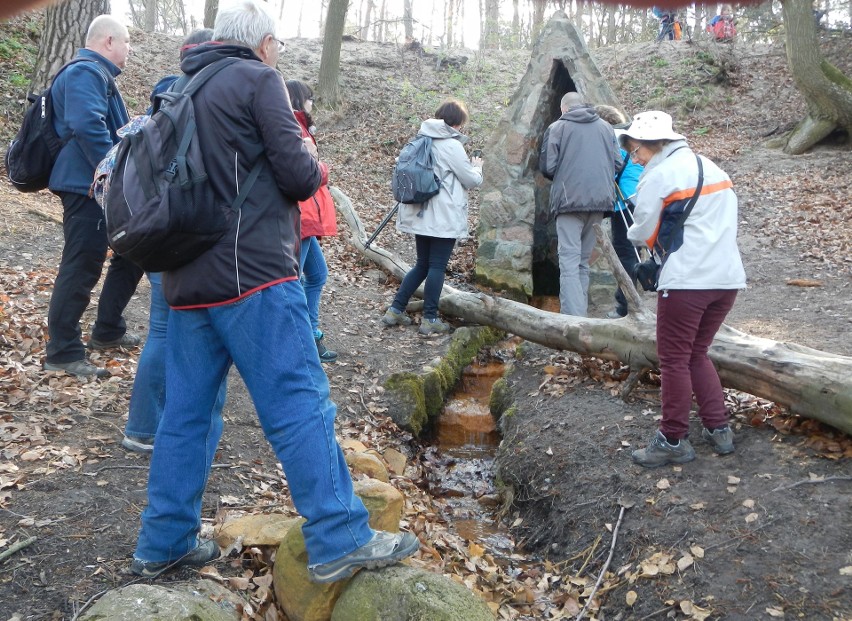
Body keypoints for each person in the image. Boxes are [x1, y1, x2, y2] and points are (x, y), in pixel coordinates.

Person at [131, 0, 418, 582]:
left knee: (185, 416)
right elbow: (296, 173)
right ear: (263, 43)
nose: (279, 53)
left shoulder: (184, 88)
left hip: (186, 280)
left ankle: (163, 542)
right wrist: (314, 160)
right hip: (253, 276)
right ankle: (339, 536)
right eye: (279, 44)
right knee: (298, 402)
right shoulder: (258, 79)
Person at [620, 111, 746, 468]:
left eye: (636, 150)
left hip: (688, 280)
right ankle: (718, 428)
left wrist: (641, 242)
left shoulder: (659, 175)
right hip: (727, 279)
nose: (635, 158)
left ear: (653, 143)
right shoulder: (712, 168)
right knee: (697, 353)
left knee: (674, 358)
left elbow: (643, 227)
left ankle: (672, 438)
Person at [122, 29, 224, 454]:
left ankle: (143, 427)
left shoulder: (163, 96)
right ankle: (170, 432)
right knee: (186, 335)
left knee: (161, 331)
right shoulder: (205, 99)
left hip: (155, 227)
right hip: (188, 232)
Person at [43, 15, 145, 378]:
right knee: (82, 264)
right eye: (127, 42)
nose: (130, 49)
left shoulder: (96, 75)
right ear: (108, 41)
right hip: (85, 185)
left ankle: (107, 330)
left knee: (131, 253)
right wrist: (113, 174)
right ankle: (62, 351)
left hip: (93, 184)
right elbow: (87, 125)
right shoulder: (85, 72)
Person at [381, 99, 483, 335]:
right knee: (436, 266)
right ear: (456, 123)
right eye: (461, 124)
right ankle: (430, 319)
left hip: (419, 213)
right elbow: (471, 180)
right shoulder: (451, 145)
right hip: (442, 217)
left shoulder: (421, 139)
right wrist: (477, 166)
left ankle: (395, 310)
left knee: (422, 265)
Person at [539, 92, 621, 317]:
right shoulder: (606, 128)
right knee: (583, 262)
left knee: (568, 262)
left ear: (564, 109)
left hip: (568, 203)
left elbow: (547, 167)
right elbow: (618, 162)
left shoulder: (557, 128)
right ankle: (581, 316)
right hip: (600, 203)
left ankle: (572, 321)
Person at [284, 79, 338, 363]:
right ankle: (304, 340)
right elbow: (308, 173)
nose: (312, 103)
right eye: (309, 98)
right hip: (301, 217)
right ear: (298, 99)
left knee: (316, 275)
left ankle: (310, 333)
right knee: (293, 282)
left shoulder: (299, 126)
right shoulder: (292, 127)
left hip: (305, 217)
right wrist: (321, 165)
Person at [594, 105, 644, 319]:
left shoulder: (610, 140)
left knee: (626, 253)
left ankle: (626, 307)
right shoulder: (630, 138)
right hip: (639, 198)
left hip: (625, 203)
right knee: (633, 251)